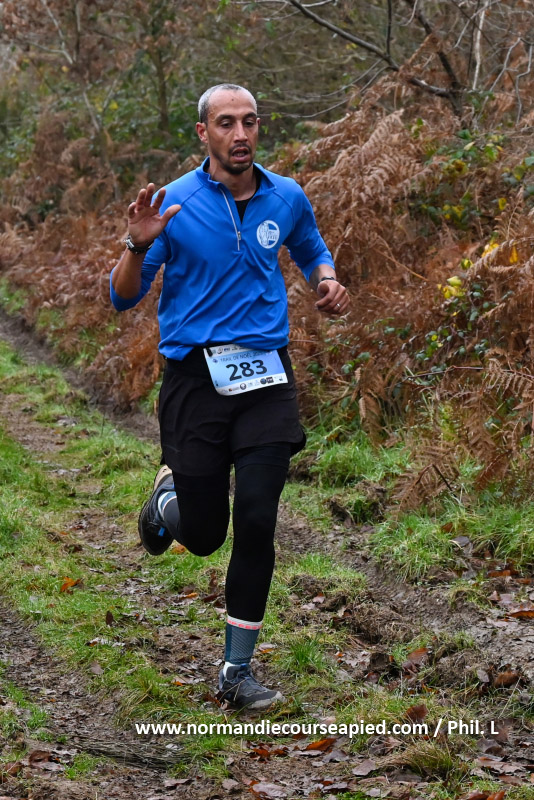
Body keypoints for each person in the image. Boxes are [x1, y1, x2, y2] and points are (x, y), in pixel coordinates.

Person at [110, 83, 349, 710]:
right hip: (195, 380)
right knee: (206, 534)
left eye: (249, 122)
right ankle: (167, 502)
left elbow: (310, 246)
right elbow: (123, 296)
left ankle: (236, 671)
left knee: (258, 517)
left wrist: (325, 279)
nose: (240, 134)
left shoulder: (286, 195)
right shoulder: (174, 203)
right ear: (203, 133)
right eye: (225, 123)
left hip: (266, 376)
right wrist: (137, 244)